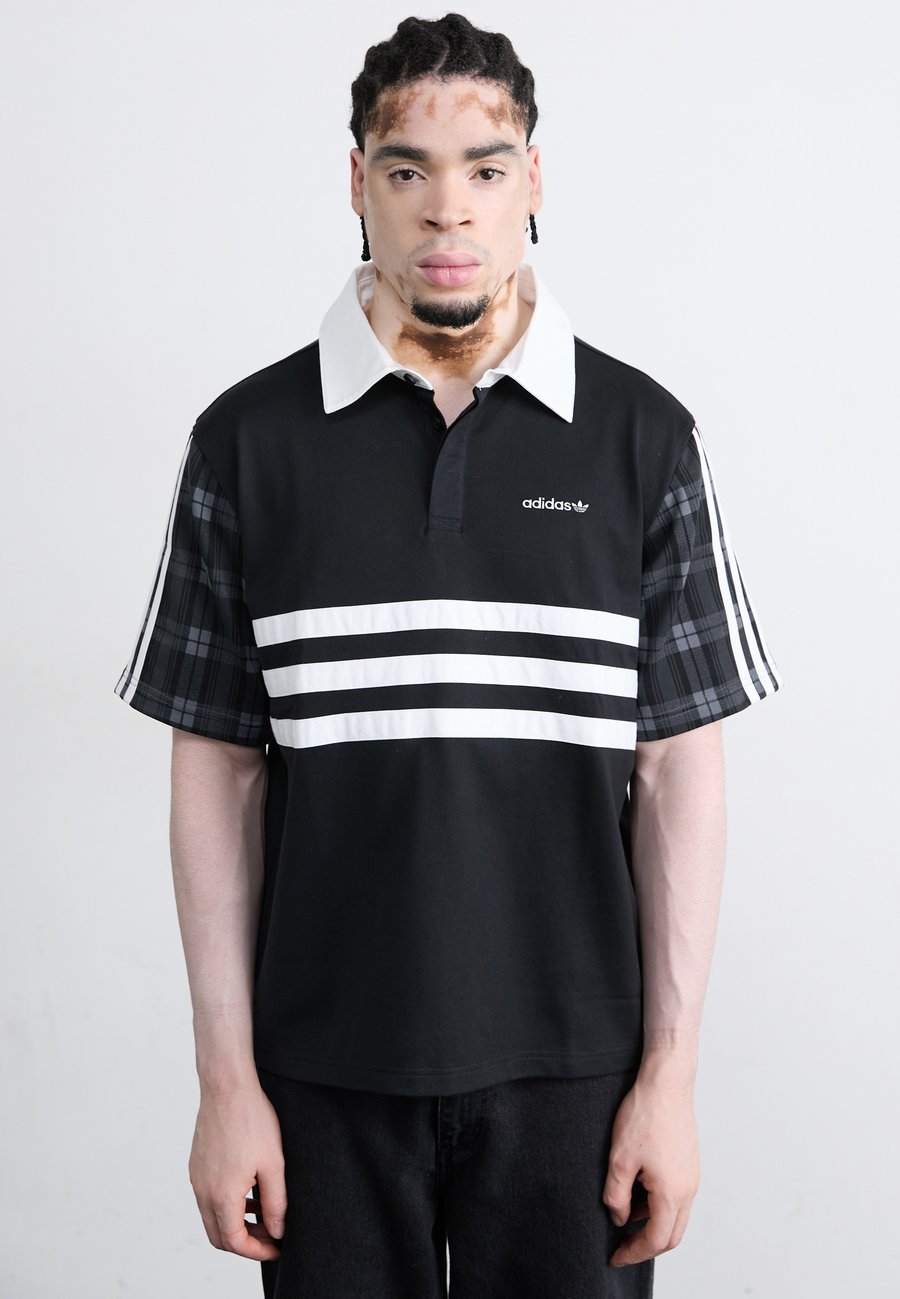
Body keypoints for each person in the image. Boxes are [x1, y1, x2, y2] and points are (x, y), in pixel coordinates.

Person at [113, 13, 781, 1297]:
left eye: (484, 166)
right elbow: (217, 773)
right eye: (406, 167)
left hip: (579, 1076)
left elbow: (679, 772)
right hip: (319, 1074)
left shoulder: (643, 438)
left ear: (535, 181)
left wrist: (671, 1078)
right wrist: (225, 1083)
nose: (447, 208)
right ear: (356, 183)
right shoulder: (247, 443)